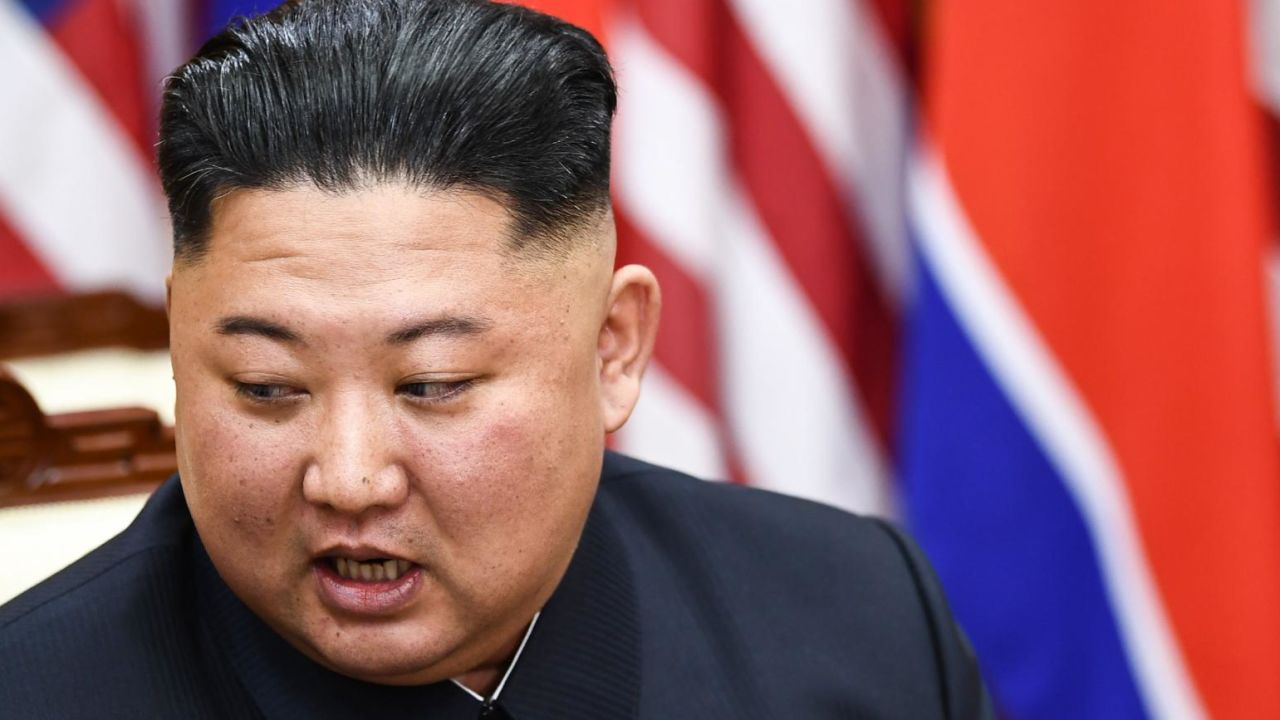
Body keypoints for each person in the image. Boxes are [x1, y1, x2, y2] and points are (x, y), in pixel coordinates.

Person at [0, 1, 992, 717]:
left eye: (431, 385)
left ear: (613, 349)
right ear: (181, 348)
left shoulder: (858, 615)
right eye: (268, 389)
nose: (347, 477)